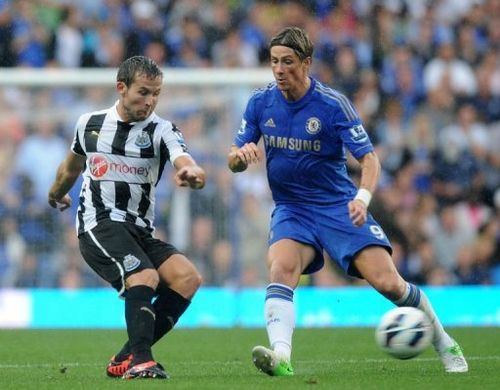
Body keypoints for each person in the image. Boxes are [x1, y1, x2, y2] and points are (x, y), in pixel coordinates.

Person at [227, 27, 468, 376]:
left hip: (338, 206)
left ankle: (445, 341)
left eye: (288, 62)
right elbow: (233, 159)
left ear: (306, 62)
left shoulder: (331, 105)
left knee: (389, 284)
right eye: (274, 62)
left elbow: (370, 160)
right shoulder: (260, 102)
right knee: (280, 267)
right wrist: (241, 156)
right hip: (292, 208)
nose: (279, 69)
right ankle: (281, 356)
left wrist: (363, 198)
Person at [48, 56, 205, 380]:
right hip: (98, 223)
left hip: (139, 230)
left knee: (187, 278)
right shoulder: (89, 124)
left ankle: (129, 353)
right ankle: (142, 361)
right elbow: (71, 168)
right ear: (121, 88)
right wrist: (54, 193)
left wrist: (192, 172)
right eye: (143, 92)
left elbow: (184, 160)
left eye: (156, 94)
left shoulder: (162, 130)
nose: (149, 102)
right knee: (144, 276)